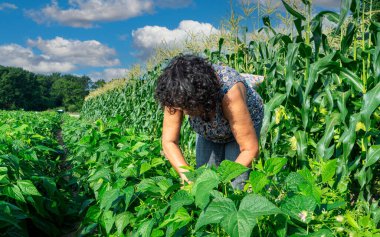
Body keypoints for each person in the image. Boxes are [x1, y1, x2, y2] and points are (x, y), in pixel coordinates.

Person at [155, 54, 264, 189]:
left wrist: (223, 180)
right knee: (204, 179)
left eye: (189, 107)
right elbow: (169, 141)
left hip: (242, 128)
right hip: (209, 133)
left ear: (203, 98)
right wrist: (188, 177)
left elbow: (249, 149)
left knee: (235, 185)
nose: (185, 112)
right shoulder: (175, 92)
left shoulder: (229, 92)